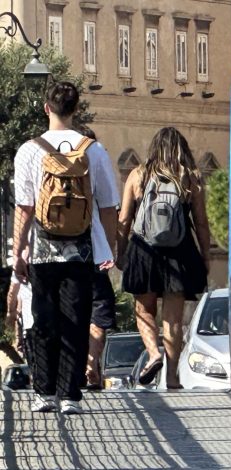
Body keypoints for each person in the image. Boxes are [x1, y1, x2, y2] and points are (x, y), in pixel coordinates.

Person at [13, 81, 119, 414]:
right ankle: (70, 394)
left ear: (47, 108)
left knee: (44, 319)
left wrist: (18, 253)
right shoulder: (94, 150)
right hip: (82, 250)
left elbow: (25, 208)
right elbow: (108, 205)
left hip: (43, 250)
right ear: (74, 110)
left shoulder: (30, 150)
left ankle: (44, 392)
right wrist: (110, 248)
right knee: (76, 319)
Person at [117, 127, 210, 390]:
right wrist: (205, 256)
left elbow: (124, 219)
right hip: (179, 253)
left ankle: (153, 352)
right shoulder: (190, 177)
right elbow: (201, 223)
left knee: (144, 310)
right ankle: (171, 377)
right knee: (173, 319)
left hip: (143, 250)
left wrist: (120, 252)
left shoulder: (138, 175)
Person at [79, 126, 119, 391]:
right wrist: (110, 248)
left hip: (57, 252)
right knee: (99, 307)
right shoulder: (99, 154)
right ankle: (91, 363)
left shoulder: (51, 154)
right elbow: (109, 209)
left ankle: (75, 367)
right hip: (93, 251)